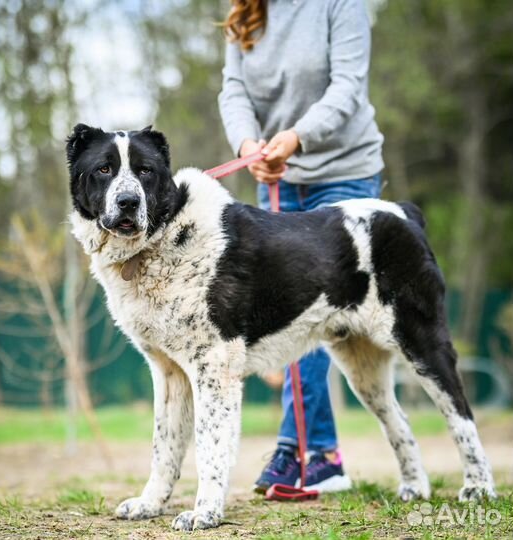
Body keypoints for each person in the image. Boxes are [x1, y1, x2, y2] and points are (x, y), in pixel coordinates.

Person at [218, 0, 384, 493]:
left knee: (315, 310)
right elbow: (234, 91)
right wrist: (249, 147)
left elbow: (348, 86)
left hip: (345, 174)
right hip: (275, 175)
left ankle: (303, 450)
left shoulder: (340, 6)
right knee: (287, 310)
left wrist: (296, 137)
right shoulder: (246, 12)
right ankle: (317, 454)